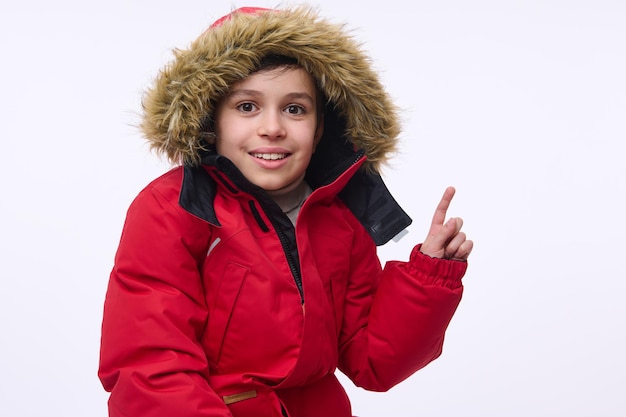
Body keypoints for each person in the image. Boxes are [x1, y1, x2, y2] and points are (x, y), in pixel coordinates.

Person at [98, 6, 473, 417]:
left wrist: (429, 276)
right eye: (246, 107)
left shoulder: (339, 216)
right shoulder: (174, 209)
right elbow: (151, 362)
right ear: (211, 120)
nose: (272, 128)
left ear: (321, 126)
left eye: (295, 109)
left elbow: (374, 360)